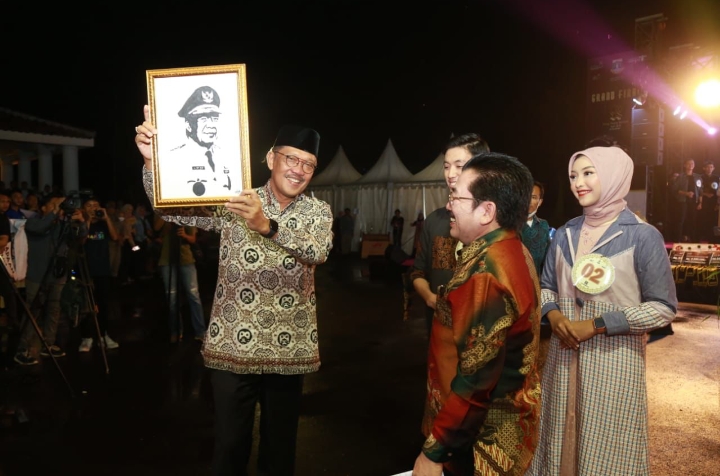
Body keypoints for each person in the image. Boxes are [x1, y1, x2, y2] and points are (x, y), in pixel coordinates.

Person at [135, 106, 333, 476]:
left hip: (289, 351)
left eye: (308, 164)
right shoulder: (235, 199)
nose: (299, 169)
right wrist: (151, 164)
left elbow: (317, 250)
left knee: (279, 451)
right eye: (291, 158)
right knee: (229, 448)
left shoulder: (317, 212)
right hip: (232, 349)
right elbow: (174, 211)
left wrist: (266, 225)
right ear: (271, 158)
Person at [527, 146, 677, 475]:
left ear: (613, 176)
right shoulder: (564, 234)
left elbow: (663, 308)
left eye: (588, 173)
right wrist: (554, 315)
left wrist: (597, 324)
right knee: (559, 442)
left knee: (607, 450)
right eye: (573, 176)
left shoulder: (643, 236)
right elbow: (547, 287)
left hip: (615, 362)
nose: (578, 183)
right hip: (563, 359)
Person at [412, 152, 541, 476]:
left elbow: (476, 380)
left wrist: (434, 452)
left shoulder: (486, 273)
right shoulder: (511, 248)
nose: (449, 205)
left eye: (456, 197)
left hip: (480, 442)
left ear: (486, 211)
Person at [411, 133, 490, 336]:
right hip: (438, 327)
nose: (450, 174)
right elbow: (418, 272)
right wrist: (429, 298)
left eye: (459, 165)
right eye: (446, 166)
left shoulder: (491, 221)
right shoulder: (434, 220)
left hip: (480, 332)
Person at [13, 195, 87, 365]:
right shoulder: (33, 221)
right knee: (33, 311)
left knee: (54, 310)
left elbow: (80, 238)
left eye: (60, 204)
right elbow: (39, 229)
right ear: (43, 208)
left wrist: (81, 222)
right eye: (54, 204)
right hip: (37, 275)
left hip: (58, 274)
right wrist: (54, 213)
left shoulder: (64, 225)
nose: (59, 207)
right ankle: (23, 349)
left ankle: (49, 344)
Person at [164, 85, 234, 199]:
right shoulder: (173, 159)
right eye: (203, 119)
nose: (211, 125)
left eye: (215, 118)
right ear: (189, 125)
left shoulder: (228, 157)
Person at [153, 214, 206, 343]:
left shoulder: (186, 213)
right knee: (172, 297)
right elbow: (156, 227)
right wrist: (166, 213)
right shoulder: (161, 212)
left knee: (193, 295)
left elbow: (193, 239)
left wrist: (185, 235)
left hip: (186, 259)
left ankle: (200, 331)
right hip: (167, 259)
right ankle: (176, 331)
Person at [78, 198, 121, 352]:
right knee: (86, 306)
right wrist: (88, 221)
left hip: (103, 269)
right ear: (83, 208)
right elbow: (82, 241)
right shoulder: (80, 224)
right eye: (89, 205)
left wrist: (106, 218)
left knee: (103, 304)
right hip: (86, 270)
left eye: (95, 205)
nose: (93, 208)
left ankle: (103, 335)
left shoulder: (103, 223)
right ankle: (87, 337)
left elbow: (115, 237)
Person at [521, 180, 552, 277]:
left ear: (540, 202)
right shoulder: (508, 224)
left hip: (536, 283)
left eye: (533, 197)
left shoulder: (543, 225)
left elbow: (548, 259)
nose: (528, 201)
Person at [670, 158, 701, 242]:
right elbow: (674, 189)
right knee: (681, 220)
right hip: (683, 202)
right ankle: (677, 239)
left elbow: (700, 190)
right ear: (685, 165)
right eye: (689, 163)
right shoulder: (681, 177)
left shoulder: (697, 177)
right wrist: (686, 193)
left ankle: (693, 239)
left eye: (692, 163)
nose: (691, 165)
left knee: (693, 221)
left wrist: (700, 202)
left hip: (694, 202)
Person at [697, 160, 720, 242]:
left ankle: (712, 238)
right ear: (704, 168)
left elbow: (718, 191)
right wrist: (705, 194)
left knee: (713, 220)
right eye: (707, 167)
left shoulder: (717, 178)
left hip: (714, 202)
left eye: (711, 167)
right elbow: (697, 190)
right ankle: (702, 236)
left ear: (713, 168)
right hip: (703, 201)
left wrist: (718, 203)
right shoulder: (700, 177)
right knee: (703, 219)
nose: (709, 169)